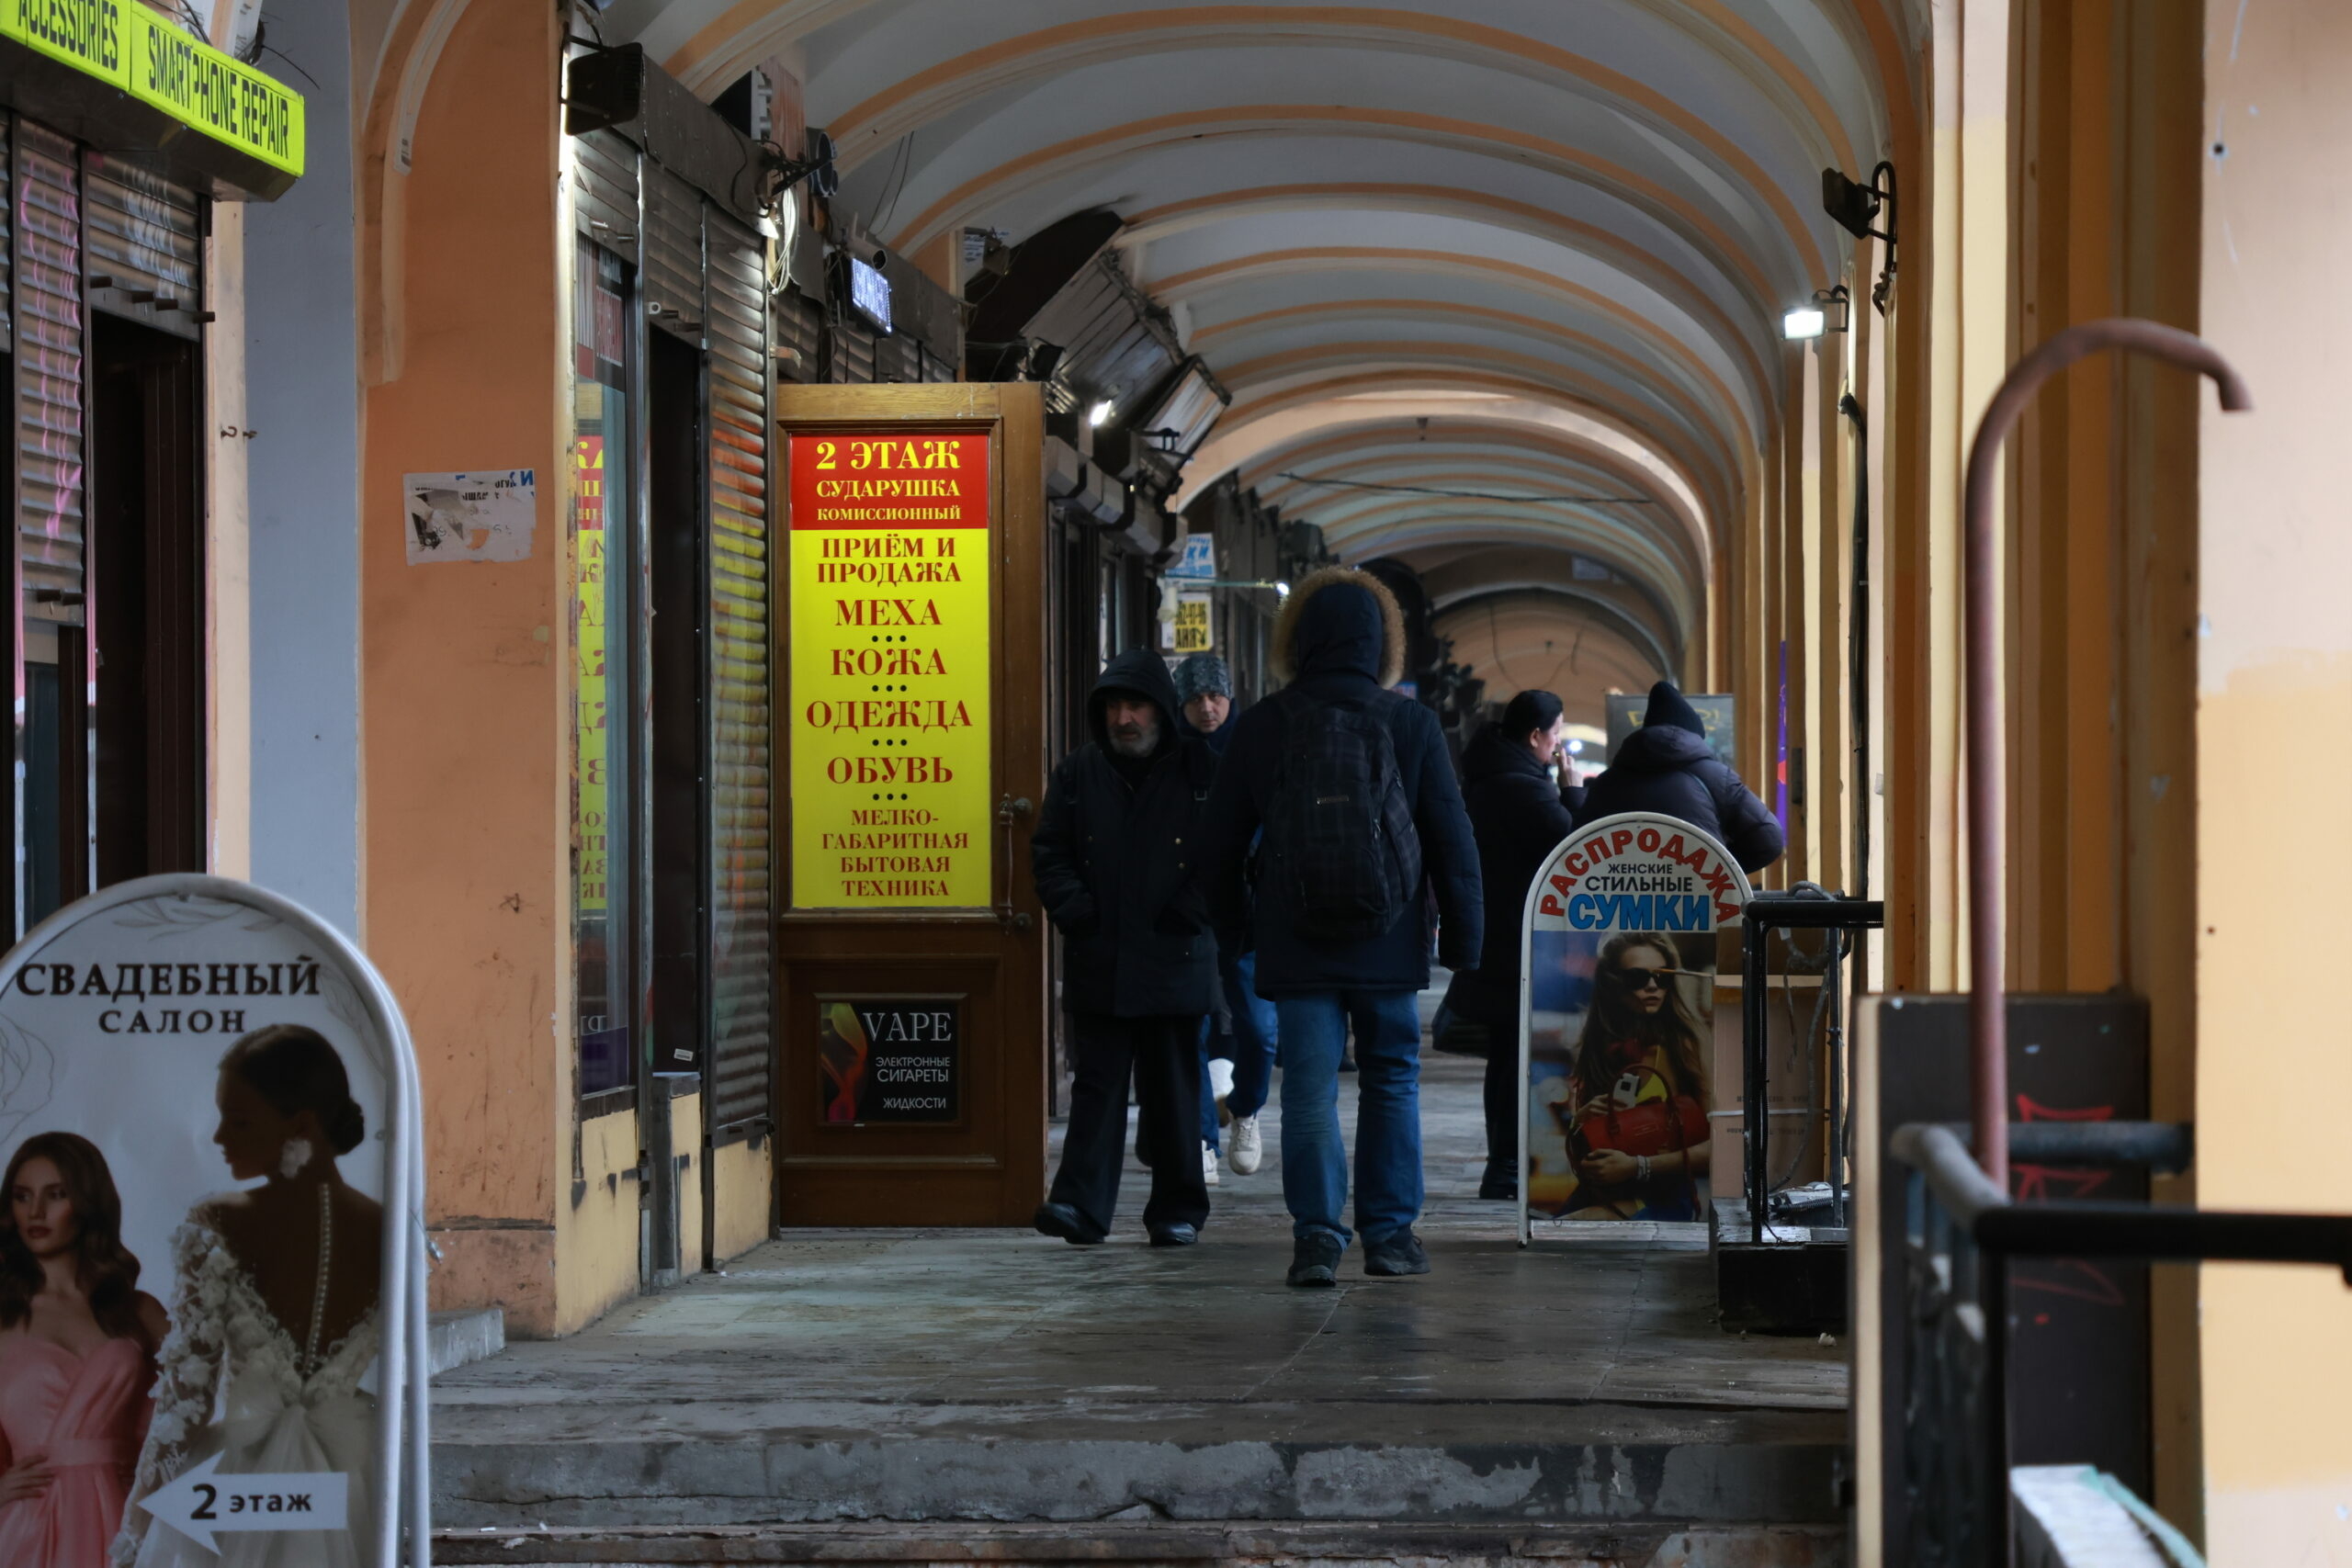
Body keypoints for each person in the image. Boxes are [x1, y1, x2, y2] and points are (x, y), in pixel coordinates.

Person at [1198, 568, 1482, 1287]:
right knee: (1391, 1080)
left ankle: (1318, 1238)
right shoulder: (1412, 723)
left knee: (1310, 1090)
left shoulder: (1264, 723)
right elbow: (1453, 839)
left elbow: (1220, 845)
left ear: (1297, 640)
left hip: (1295, 943)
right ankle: (1389, 1235)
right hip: (1388, 942)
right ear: (1382, 641)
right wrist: (1464, 943)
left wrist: (1238, 935)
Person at [121, 1026, 383, 1568]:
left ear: (302, 1127)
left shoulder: (219, 1222)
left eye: (238, 1120)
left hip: (234, 1489)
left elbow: (184, 1406)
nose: (218, 1136)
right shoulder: (386, 1228)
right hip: (353, 1486)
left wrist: (134, 1529)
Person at [1031, 649, 1220, 1247]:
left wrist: (1189, 910)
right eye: (1114, 706)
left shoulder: (1201, 769)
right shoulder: (1079, 772)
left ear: (1161, 710)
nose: (1124, 717)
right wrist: (1078, 913)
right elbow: (1050, 851)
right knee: (1097, 1087)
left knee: (1173, 1091)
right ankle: (1080, 1205)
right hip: (1103, 954)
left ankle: (1177, 1208)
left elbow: (1230, 851)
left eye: (1135, 704)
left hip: (1174, 954)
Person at [0, 1134, 165, 1568]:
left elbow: (206, 1407)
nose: (35, 1212)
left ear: (88, 1204)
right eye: (22, 1197)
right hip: (28, 1527)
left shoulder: (138, 1310)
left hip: (127, 1520)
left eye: (56, 1195)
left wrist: (158, 1471)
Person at [1445, 690, 1581, 1201]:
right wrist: (1572, 791)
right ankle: (1504, 1166)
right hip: (1518, 943)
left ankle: (1502, 1165)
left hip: (1495, 936)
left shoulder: (1491, 777)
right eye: (1557, 733)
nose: (1559, 744)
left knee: (1504, 1055)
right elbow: (1571, 847)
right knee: (1512, 1058)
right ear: (1535, 736)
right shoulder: (1525, 789)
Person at [1171, 651, 1278, 1181]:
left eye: (1214, 696)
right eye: (1194, 699)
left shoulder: (1254, 745)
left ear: (1230, 697)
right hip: (1185, 913)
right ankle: (1201, 1144)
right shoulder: (1167, 754)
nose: (1207, 708)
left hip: (1245, 911)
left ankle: (1246, 1108)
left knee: (1259, 1029)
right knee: (1189, 1028)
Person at [1544, 932, 1712, 1221]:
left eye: (1662, 977)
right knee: (1551, 1236)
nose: (1651, 987)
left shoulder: (1685, 1045)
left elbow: (1724, 1144)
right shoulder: (1600, 1045)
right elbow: (1585, 1155)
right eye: (1637, 978)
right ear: (1613, 984)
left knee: (1568, 1229)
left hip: (1662, 1197)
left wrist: (1639, 1165)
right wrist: (1582, 1120)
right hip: (1606, 1192)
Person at [1576, 681, 1782, 873]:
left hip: (1618, 903)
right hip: (1699, 899)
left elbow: (1576, 845)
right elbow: (1769, 839)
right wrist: (1720, 869)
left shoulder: (1607, 782)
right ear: (1695, 737)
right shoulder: (1717, 777)